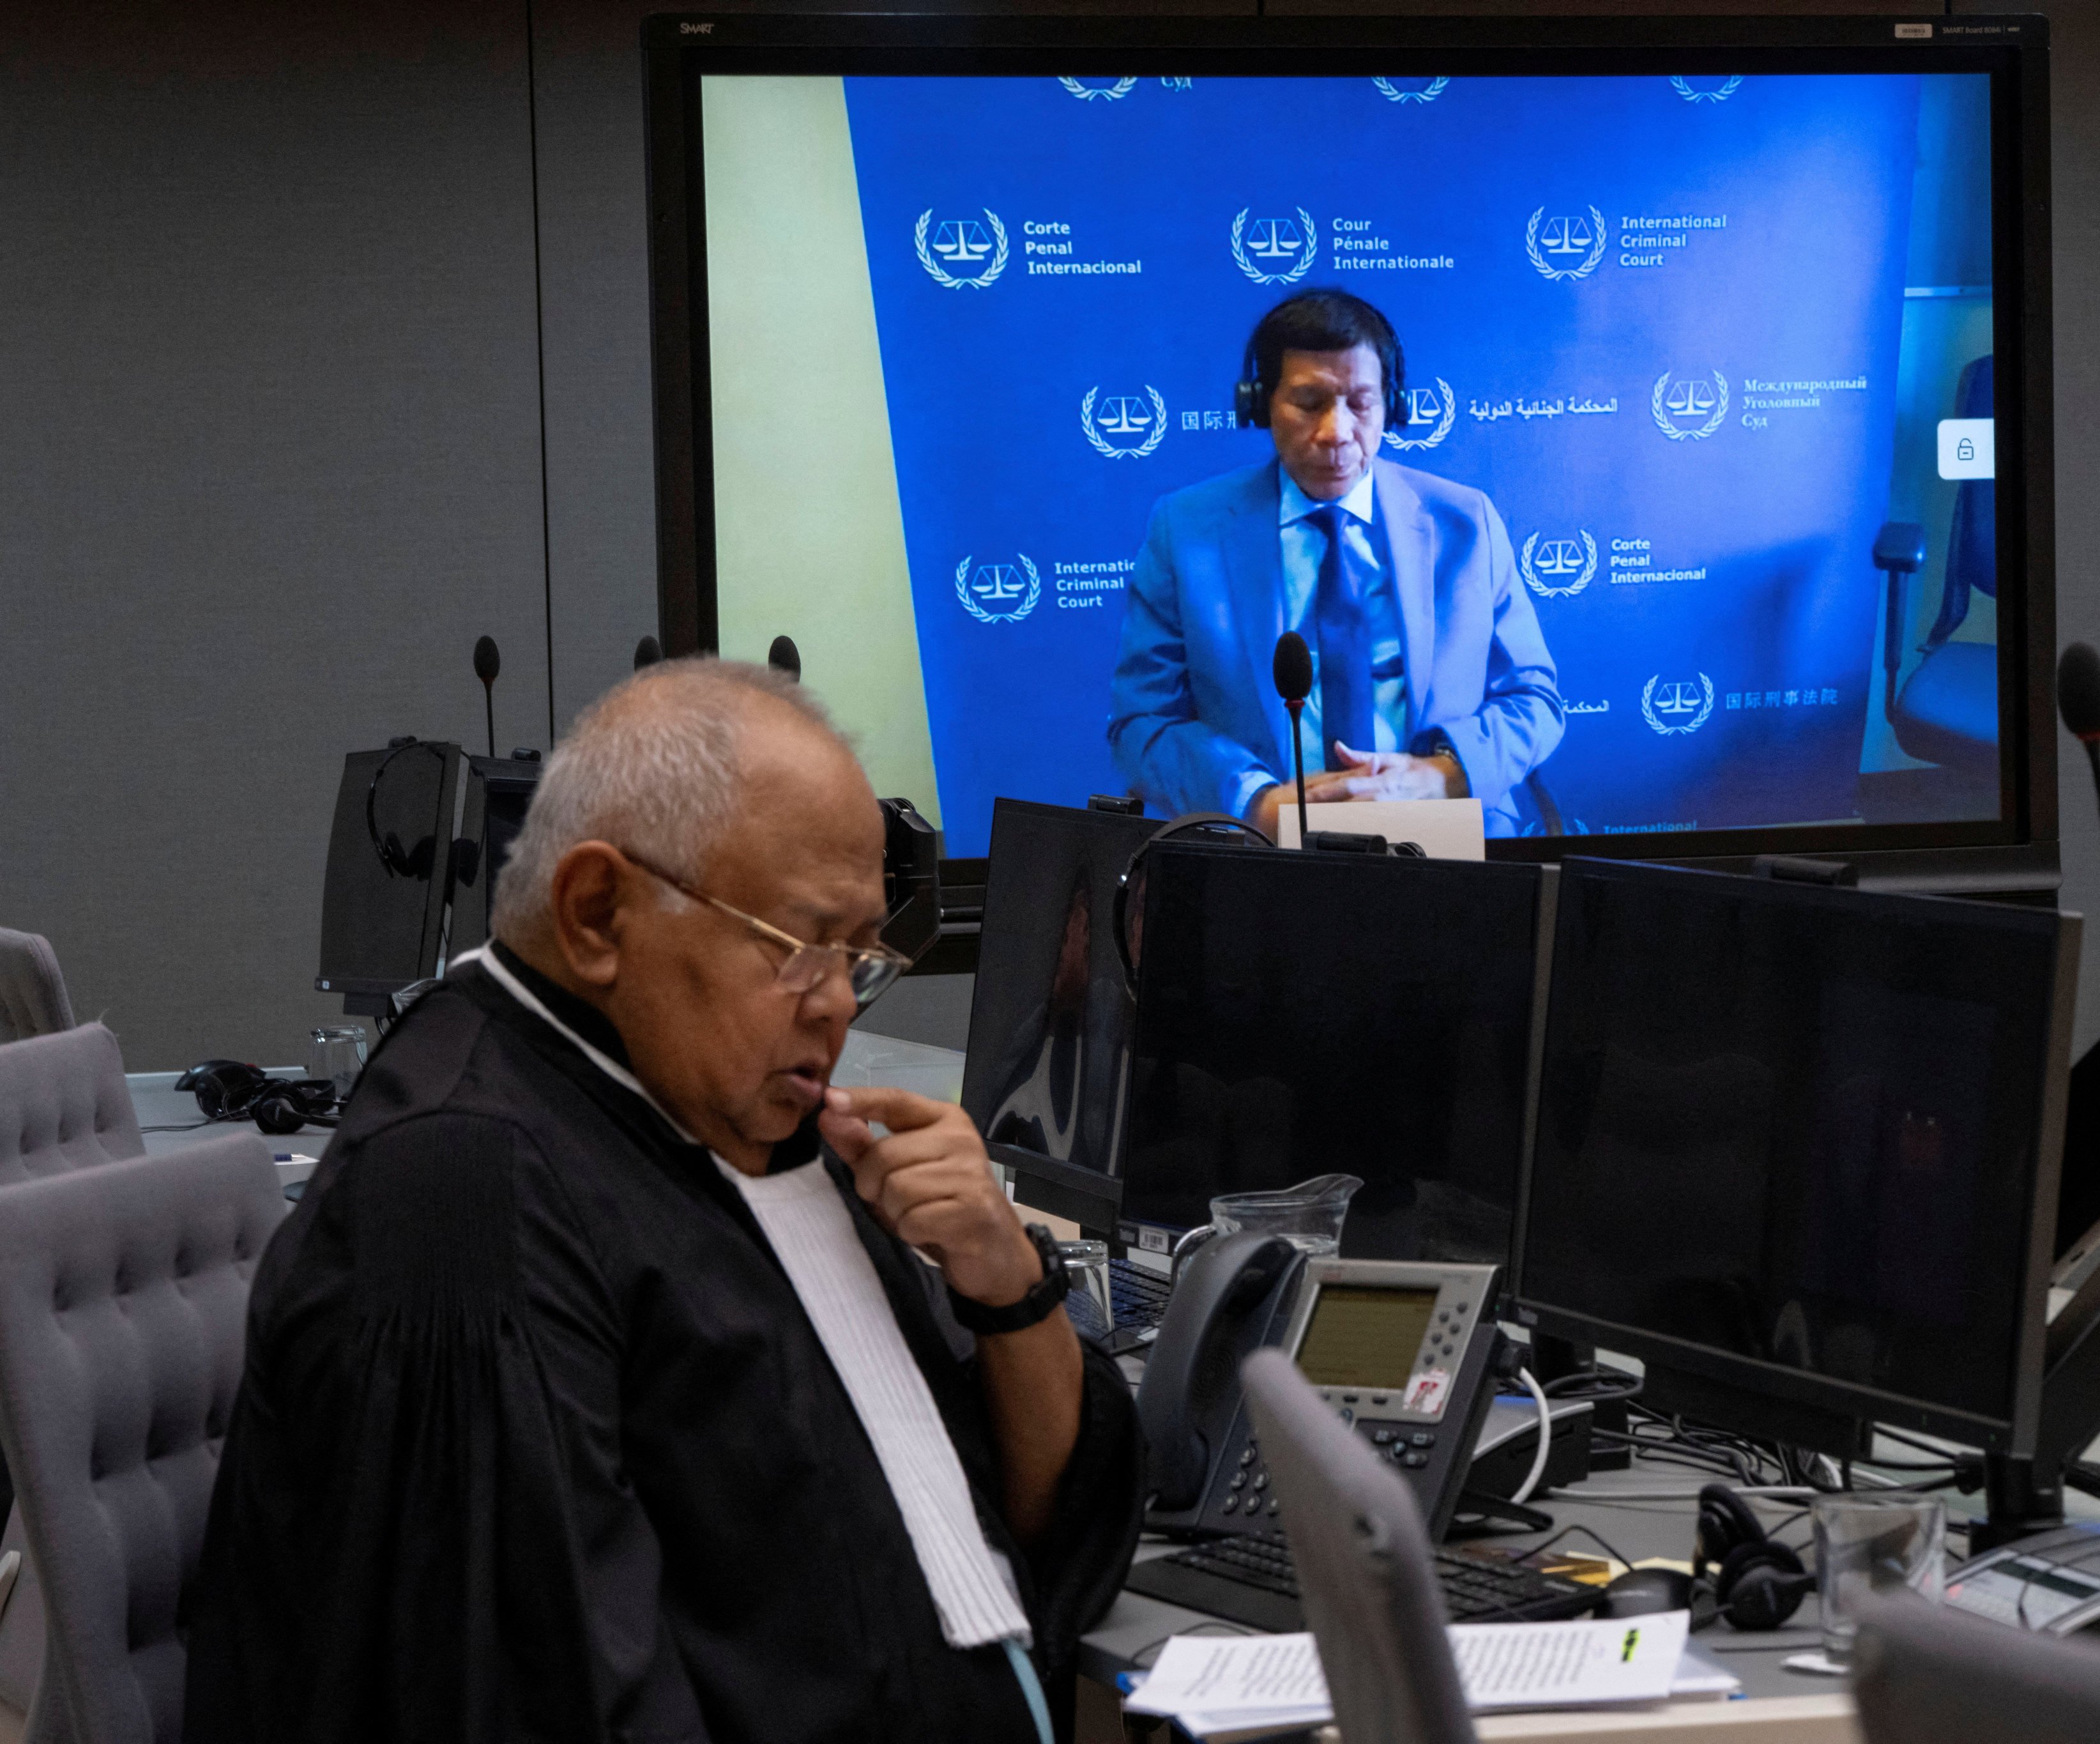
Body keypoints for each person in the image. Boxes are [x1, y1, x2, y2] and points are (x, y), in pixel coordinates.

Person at [186, 661, 1141, 1744]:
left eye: (859, 953)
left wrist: (1009, 1286)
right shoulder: (467, 1191)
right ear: (598, 913)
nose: (835, 1004)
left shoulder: (742, 1108)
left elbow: (1023, 1522)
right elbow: (532, 1699)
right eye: (797, 948)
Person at [1107, 289, 1564, 836]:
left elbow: (1533, 700)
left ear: (1391, 406)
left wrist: (1442, 776)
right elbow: (1142, 722)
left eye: (1360, 403)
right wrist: (1255, 804)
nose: (1336, 433)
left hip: (1446, 838)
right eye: (1308, 403)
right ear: (1260, 405)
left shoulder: (1466, 524)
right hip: (1263, 851)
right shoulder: (1185, 531)